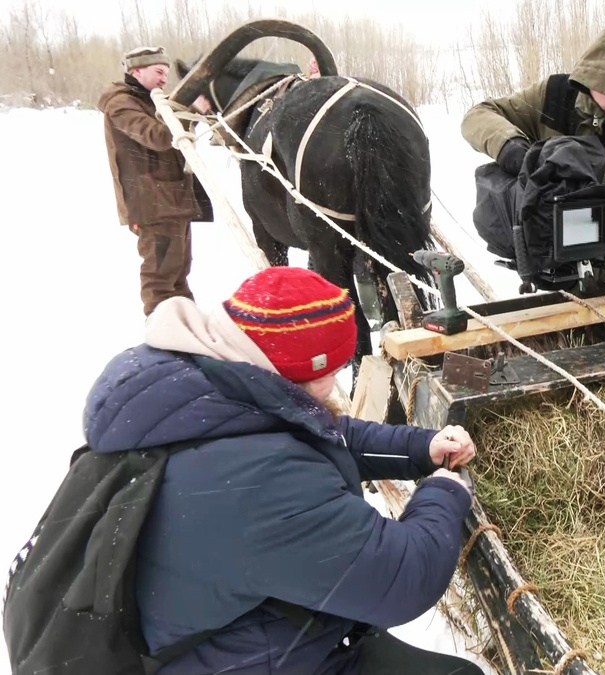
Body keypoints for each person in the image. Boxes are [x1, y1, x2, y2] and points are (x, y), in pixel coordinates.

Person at [83, 266, 484, 675]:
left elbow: (322, 435)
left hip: (247, 629)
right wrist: (444, 492)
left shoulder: (205, 383)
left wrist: (419, 448)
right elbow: (402, 578)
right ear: (296, 369)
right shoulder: (258, 484)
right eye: (330, 370)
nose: (333, 381)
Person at [462, 17, 605, 330]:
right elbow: (478, 116)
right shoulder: (553, 96)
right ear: (592, 78)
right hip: (567, 291)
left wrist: (565, 243)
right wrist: (512, 149)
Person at [99, 46, 213, 316]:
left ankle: (187, 326)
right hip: (151, 204)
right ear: (136, 71)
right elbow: (158, 136)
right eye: (159, 72)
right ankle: (162, 336)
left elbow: (174, 134)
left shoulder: (152, 100)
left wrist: (191, 113)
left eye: (166, 73)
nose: (164, 79)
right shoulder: (120, 104)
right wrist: (189, 109)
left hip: (172, 200)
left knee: (178, 273)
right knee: (160, 277)